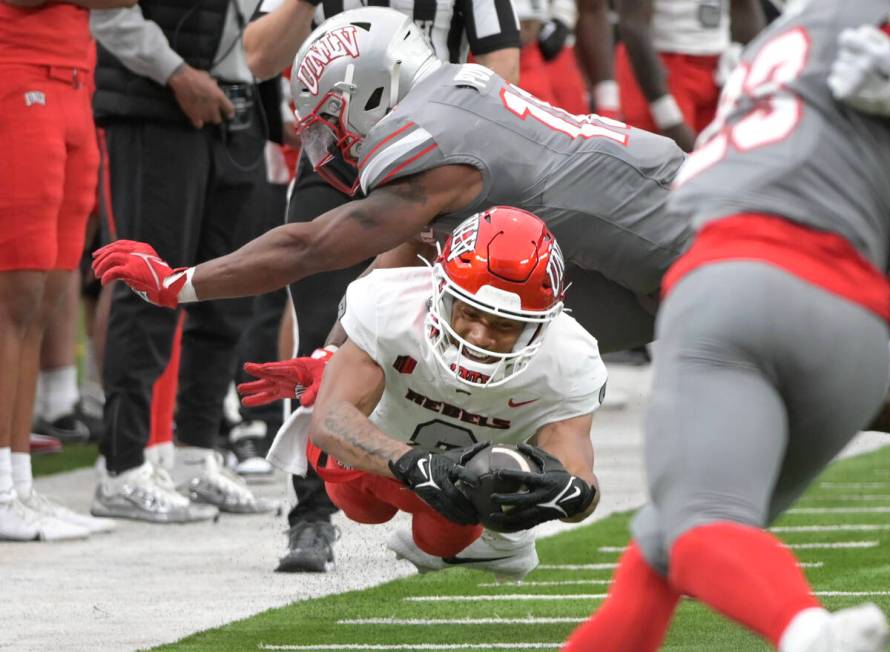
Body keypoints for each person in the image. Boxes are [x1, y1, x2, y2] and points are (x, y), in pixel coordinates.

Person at [562, 2, 890, 651]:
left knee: (701, 522)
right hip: (858, 328)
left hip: (732, 287)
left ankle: (809, 634)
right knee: (663, 545)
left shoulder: (783, 37)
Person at [91, 6, 689, 353]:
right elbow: (392, 264)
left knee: (481, 338)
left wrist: (180, 282)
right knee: (471, 328)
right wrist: (334, 354)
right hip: (650, 235)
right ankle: (494, 515)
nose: (332, 139)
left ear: (371, 87)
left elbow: (308, 246)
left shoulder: (428, 142)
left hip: (685, 240)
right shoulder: (455, 95)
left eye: (331, 118)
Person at [243, 0, 522, 572]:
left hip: (433, 164)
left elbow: (501, 71)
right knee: (322, 331)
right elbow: (258, 55)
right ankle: (311, 512)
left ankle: (465, 492)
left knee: (461, 325)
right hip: (336, 159)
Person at [241, 207, 606, 579]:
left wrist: (570, 495)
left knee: (440, 540)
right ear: (442, 290)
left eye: (505, 325)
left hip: (466, 479)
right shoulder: (392, 303)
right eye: (469, 313)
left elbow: (576, 465)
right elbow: (330, 421)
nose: (479, 336)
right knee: (357, 502)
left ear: (540, 325)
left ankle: (504, 540)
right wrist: (414, 465)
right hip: (385, 448)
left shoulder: (570, 356)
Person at [87, 2, 278, 522]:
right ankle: (120, 467)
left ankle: (195, 452)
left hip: (240, 110)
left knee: (227, 293)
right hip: (157, 105)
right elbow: (107, 17)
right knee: (147, 284)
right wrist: (174, 72)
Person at [0, 0, 137, 542]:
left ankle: (18, 482)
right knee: (15, 295)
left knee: (44, 300)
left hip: (75, 83)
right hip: (18, 75)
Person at [615, 0, 765, 151]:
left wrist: (743, 58)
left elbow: (746, 7)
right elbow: (632, 23)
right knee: (665, 160)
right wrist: (666, 114)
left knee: (722, 158)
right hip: (659, 67)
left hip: (718, 66)